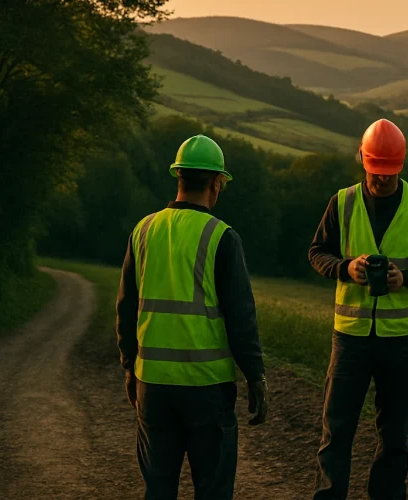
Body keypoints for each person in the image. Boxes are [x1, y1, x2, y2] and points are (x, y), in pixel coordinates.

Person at [116, 134, 268, 500]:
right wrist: (255, 375)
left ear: (178, 177)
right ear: (217, 183)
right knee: (213, 491)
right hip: (206, 390)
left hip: (152, 384)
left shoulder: (144, 229)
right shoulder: (222, 237)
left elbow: (125, 306)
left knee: (159, 489)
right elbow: (241, 318)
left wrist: (128, 365)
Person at [309, 119, 408, 499]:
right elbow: (317, 253)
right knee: (336, 430)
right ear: (363, 161)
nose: (382, 180)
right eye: (376, 172)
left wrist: (405, 278)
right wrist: (345, 267)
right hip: (351, 339)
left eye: (389, 173)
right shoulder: (342, 202)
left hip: (402, 342)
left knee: (395, 436)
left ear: (400, 166)